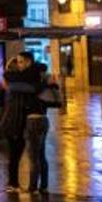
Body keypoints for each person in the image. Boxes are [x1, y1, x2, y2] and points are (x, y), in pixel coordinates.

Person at [0, 52, 44, 192]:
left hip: (11, 122)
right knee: (16, 154)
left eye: (21, 62)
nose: (20, 66)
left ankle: (13, 184)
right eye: (18, 64)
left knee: (15, 154)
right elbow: (33, 89)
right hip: (14, 123)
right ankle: (13, 184)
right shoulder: (15, 88)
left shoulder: (11, 86)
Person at [24, 56, 62, 193]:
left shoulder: (33, 87)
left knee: (33, 156)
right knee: (41, 155)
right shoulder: (47, 87)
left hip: (32, 120)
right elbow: (57, 104)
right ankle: (44, 186)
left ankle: (32, 186)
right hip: (44, 120)